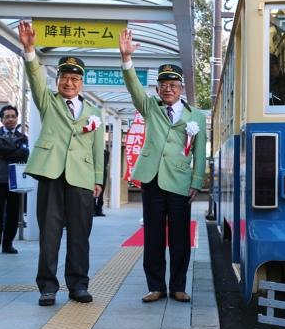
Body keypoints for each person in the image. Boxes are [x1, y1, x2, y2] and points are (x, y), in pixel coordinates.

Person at [17, 20, 104, 307]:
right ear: (57, 80)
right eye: (64, 77)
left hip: (81, 177)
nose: (69, 82)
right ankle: (47, 287)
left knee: (81, 236)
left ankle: (78, 285)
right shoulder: (48, 101)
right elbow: (34, 79)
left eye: (75, 78)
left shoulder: (93, 112)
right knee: (50, 234)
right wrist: (29, 50)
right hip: (51, 173)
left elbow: (97, 148)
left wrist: (98, 179)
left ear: (82, 82)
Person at [119, 28, 207, 303]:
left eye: (174, 85)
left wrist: (196, 182)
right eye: (163, 85)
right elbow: (134, 88)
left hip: (180, 182)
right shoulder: (150, 108)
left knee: (181, 237)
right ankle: (156, 286)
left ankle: (178, 286)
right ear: (157, 89)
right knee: (154, 236)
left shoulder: (197, 117)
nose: (168, 89)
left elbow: (201, 152)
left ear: (181, 89)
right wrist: (126, 59)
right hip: (152, 179)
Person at [0, 106, 29, 255]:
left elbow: (23, 155)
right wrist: (14, 151)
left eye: (13, 116)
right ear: (2, 120)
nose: (10, 119)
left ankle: (8, 244)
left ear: (17, 118)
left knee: (13, 213)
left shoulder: (22, 137)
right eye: (7, 116)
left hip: (15, 180)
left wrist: (6, 154)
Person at [94, 149, 110, 217]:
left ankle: (99, 209)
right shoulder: (94, 151)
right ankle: (94, 210)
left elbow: (106, 163)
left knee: (101, 192)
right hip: (94, 173)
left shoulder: (106, 152)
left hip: (103, 173)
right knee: (93, 193)